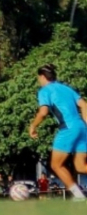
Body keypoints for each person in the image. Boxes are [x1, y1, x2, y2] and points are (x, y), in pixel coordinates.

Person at [29, 64, 87, 201]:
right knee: (81, 166)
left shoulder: (44, 91)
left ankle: (79, 197)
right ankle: (80, 197)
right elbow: (84, 105)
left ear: (42, 77)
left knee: (56, 165)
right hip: (82, 128)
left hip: (68, 129)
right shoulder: (66, 88)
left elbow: (43, 112)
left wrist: (33, 126)